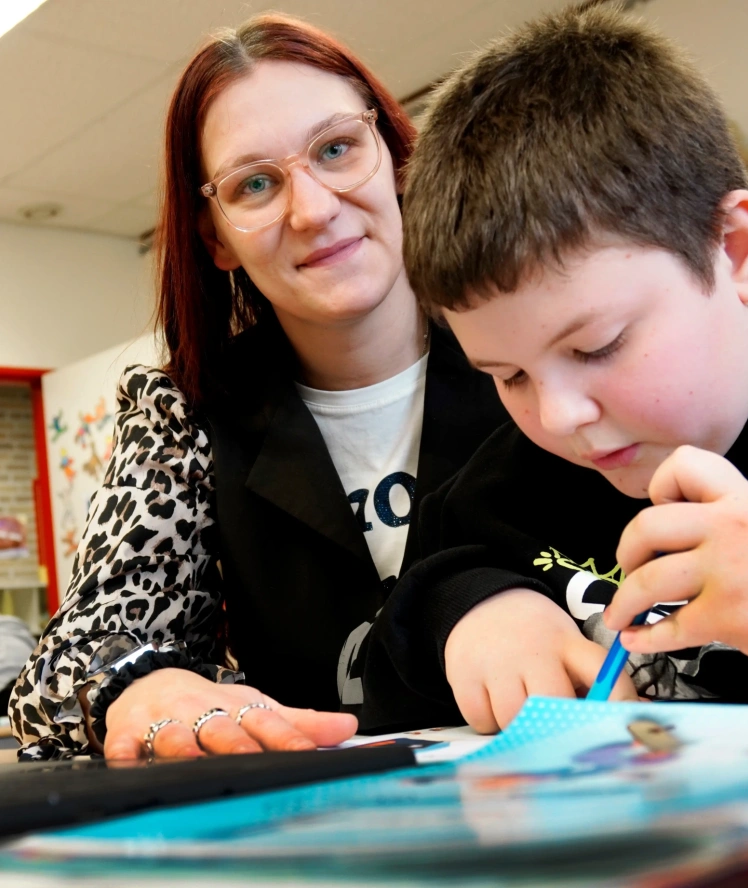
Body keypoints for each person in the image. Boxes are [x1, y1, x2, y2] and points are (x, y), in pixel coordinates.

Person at [356, 5, 748, 734]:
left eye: (597, 346)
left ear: (737, 249)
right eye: (507, 375)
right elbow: (415, 610)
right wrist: (469, 612)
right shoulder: (526, 467)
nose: (557, 417)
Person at [10, 13, 507, 760]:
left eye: (337, 148)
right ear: (215, 237)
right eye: (255, 184)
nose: (312, 210)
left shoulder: (533, 343)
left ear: (397, 157)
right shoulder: (184, 415)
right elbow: (60, 673)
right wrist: (138, 687)